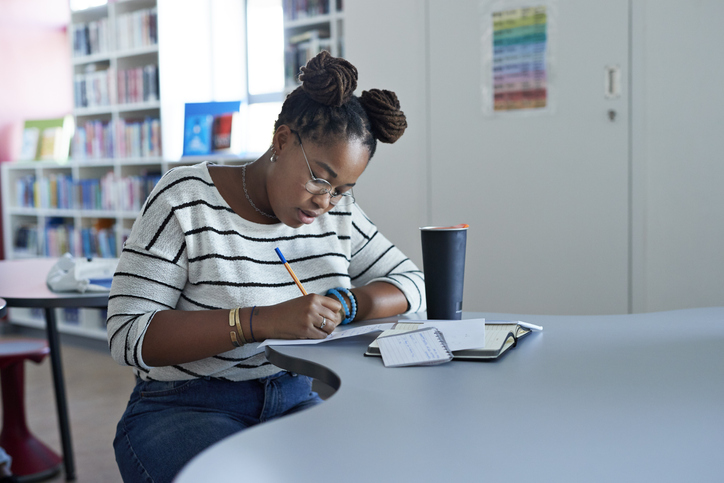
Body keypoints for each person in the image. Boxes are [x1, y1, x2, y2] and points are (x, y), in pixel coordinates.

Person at [107, 50, 425, 483]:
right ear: (281, 141)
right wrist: (260, 322)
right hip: (185, 405)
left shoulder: (337, 212)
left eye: (342, 189)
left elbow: (412, 285)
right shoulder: (184, 198)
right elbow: (129, 334)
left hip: (294, 397)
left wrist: (348, 304)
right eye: (320, 178)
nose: (325, 201)